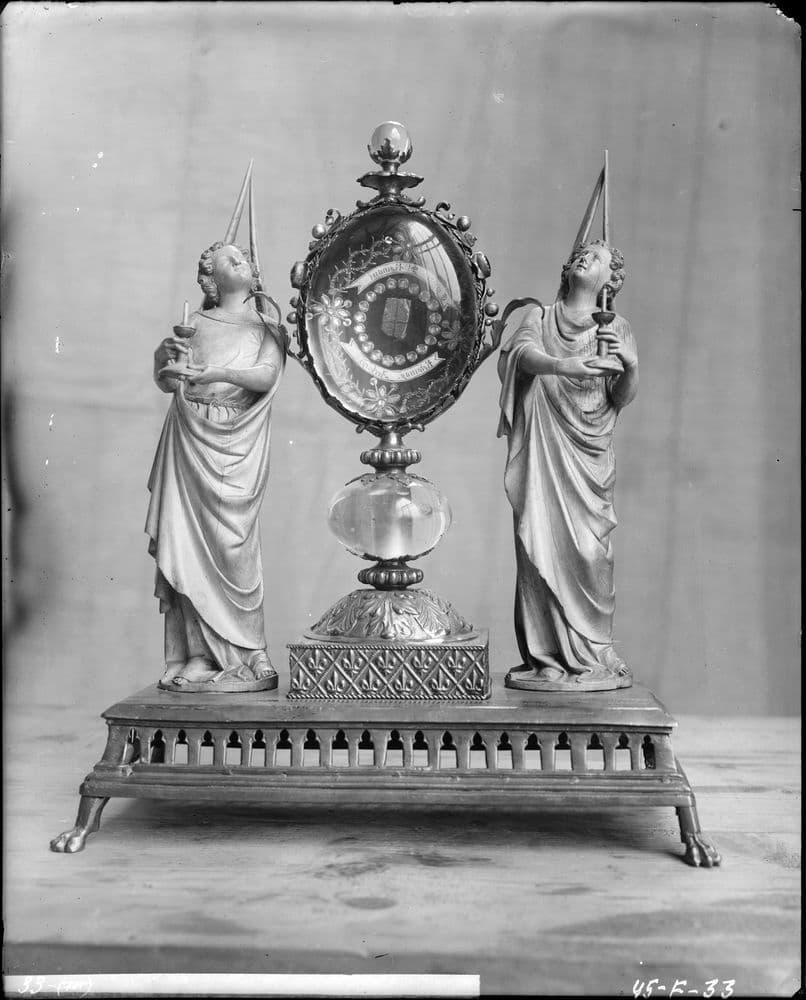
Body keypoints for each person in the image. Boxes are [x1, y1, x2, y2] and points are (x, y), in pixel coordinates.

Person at [497, 239, 638, 691]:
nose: (584, 257)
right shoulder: (540, 316)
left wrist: (630, 366)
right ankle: (548, 658)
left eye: (595, 257)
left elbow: (619, 396)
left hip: (588, 455)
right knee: (538, 543)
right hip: (544, 448)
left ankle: (594, 652)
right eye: (580, 254)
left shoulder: (616, 326)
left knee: (591, 553)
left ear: (611, 280)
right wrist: (565, 365)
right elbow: (520, 356)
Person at [146, 242, 286, 691]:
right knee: (185, 545)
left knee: (234, 549)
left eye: (244, 256)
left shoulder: (267, 326)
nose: (242, 260)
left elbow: (267, 375)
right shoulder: (197, 324)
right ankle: (198, 656)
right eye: (230, 258)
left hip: (237, 440)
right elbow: (169, 380)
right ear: (211, 278)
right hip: (190, 434)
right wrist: (163, 358)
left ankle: (252, 650)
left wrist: (220, 374)